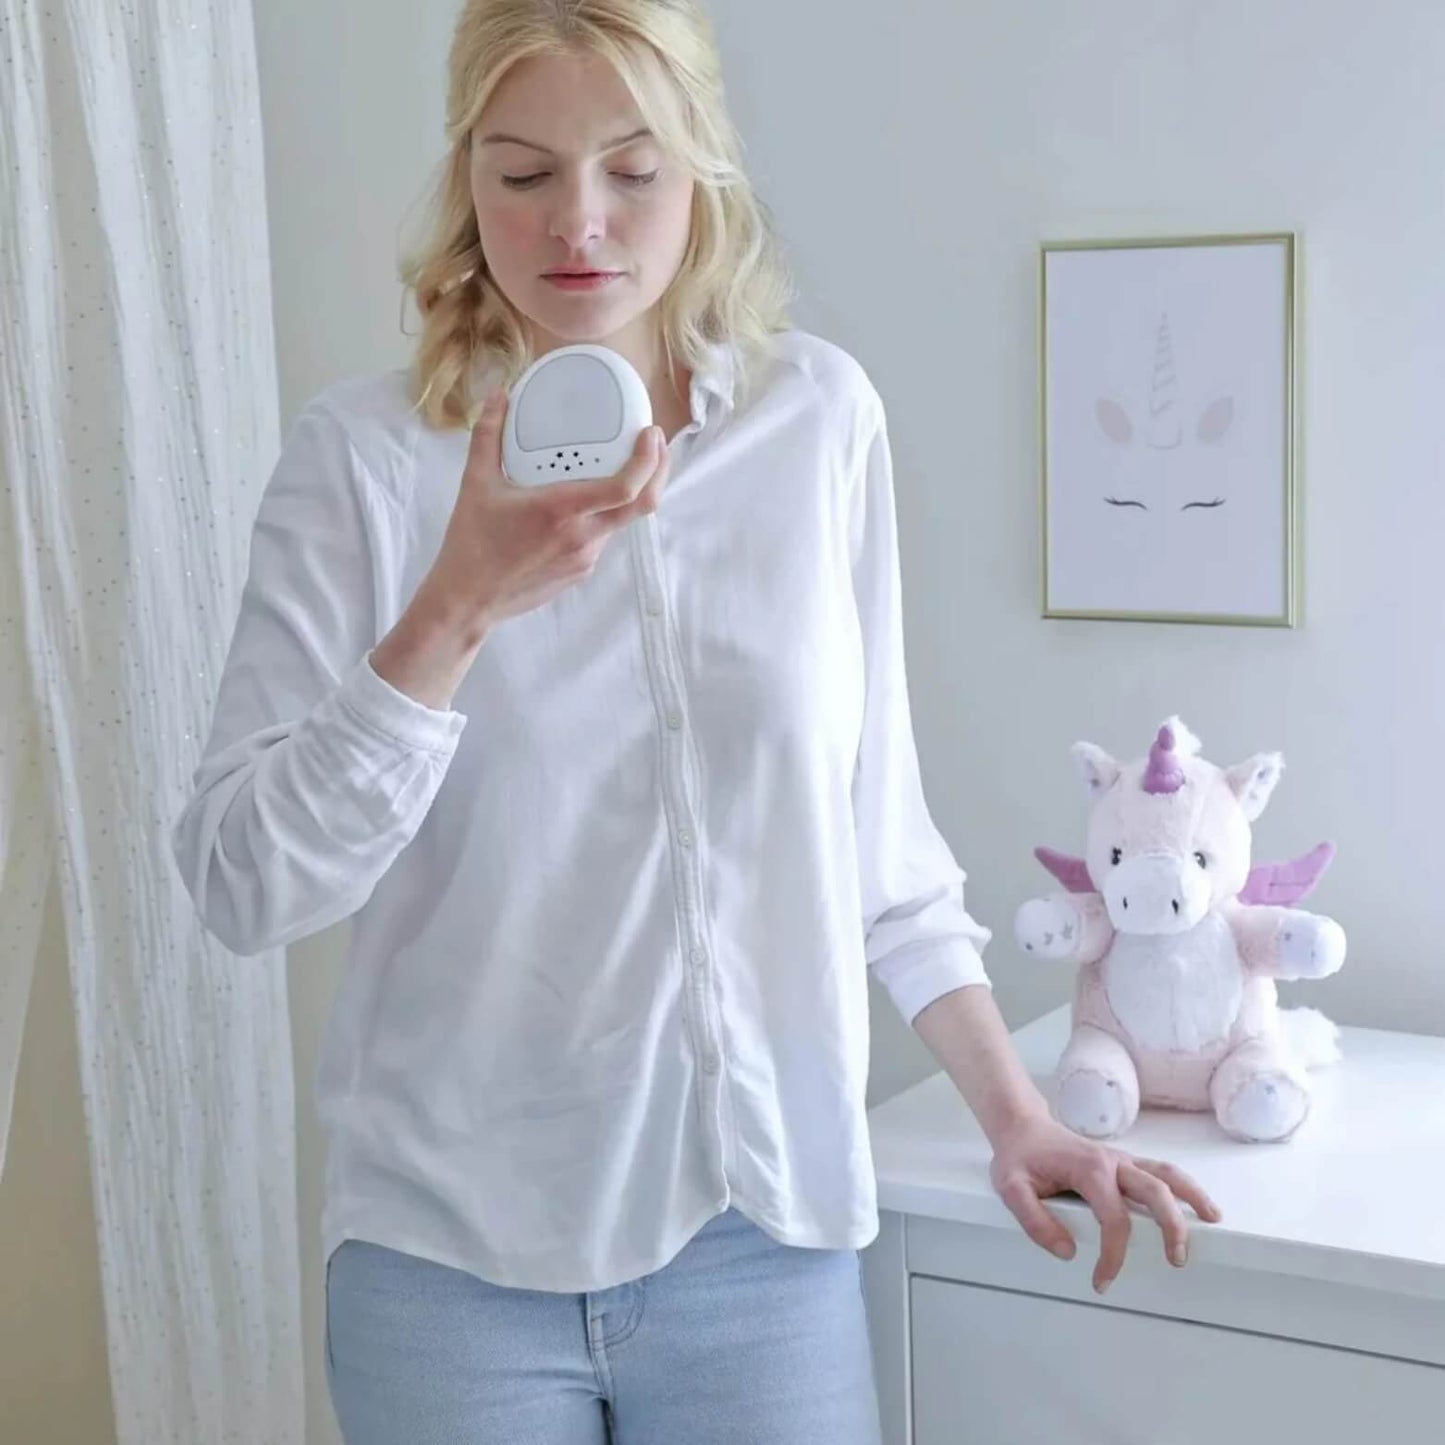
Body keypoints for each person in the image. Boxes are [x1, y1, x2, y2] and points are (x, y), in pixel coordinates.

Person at [171, 2, 1221, 1441]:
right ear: (465, 179)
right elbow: (239, 881)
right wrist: (455, 611)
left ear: (703, 170)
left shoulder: (818, 424)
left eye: (632, 166)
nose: (577, 222)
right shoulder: (360, 462)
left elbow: (880, 856)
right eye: (522, 172)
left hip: (761, 1241)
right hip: (447, 1267)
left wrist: (1016, 1114)